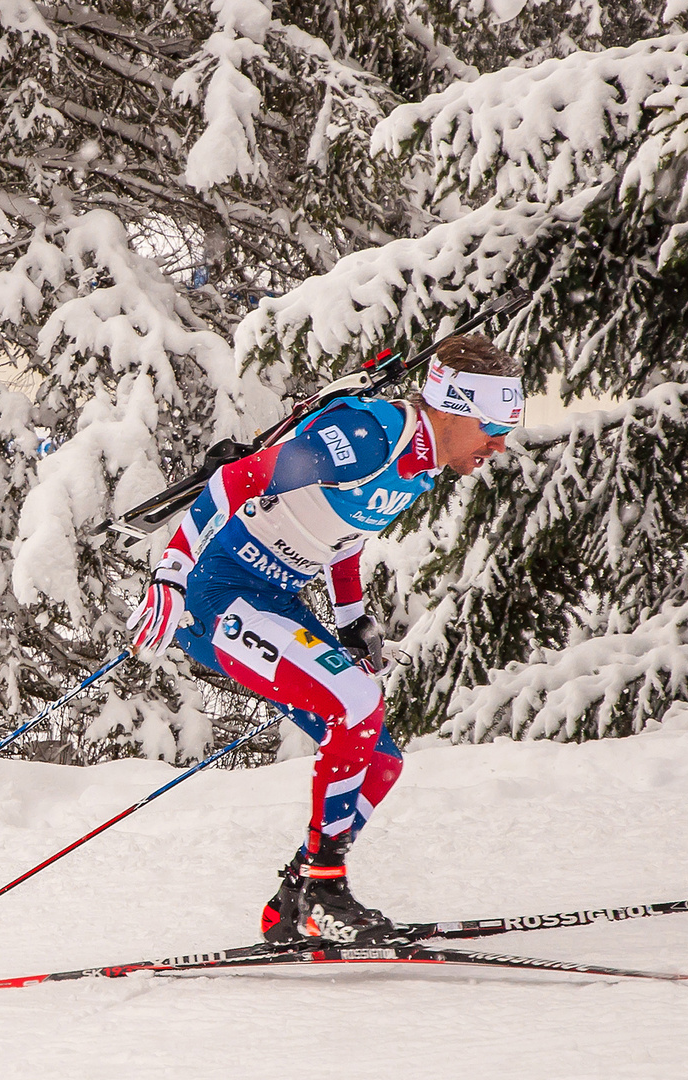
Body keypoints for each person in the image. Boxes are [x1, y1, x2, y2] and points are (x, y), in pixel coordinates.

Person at [126, 334, 524, 944]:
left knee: (382, 761)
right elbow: (236, 482)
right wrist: (170, 575)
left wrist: (351, 614)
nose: (499, 443)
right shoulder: (369, 438)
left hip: (274, 600)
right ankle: (324, 886)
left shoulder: (421, 465)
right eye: (493, 424)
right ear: (452, 406)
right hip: (220, 598)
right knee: (356, 706)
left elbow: (345, 531)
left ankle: (296, 897)